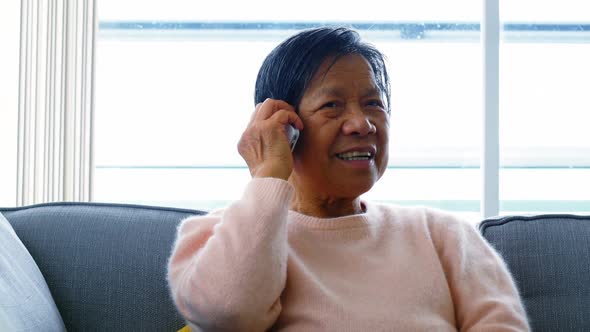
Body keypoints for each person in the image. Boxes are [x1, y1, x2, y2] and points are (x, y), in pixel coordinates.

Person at [167, 26, 530, 331]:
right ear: (285, 127)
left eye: (374, 104)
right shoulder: (213, 238)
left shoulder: (445, 236)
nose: (363, 124)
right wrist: (269, 174)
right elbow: (230, 314)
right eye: (332, 106)